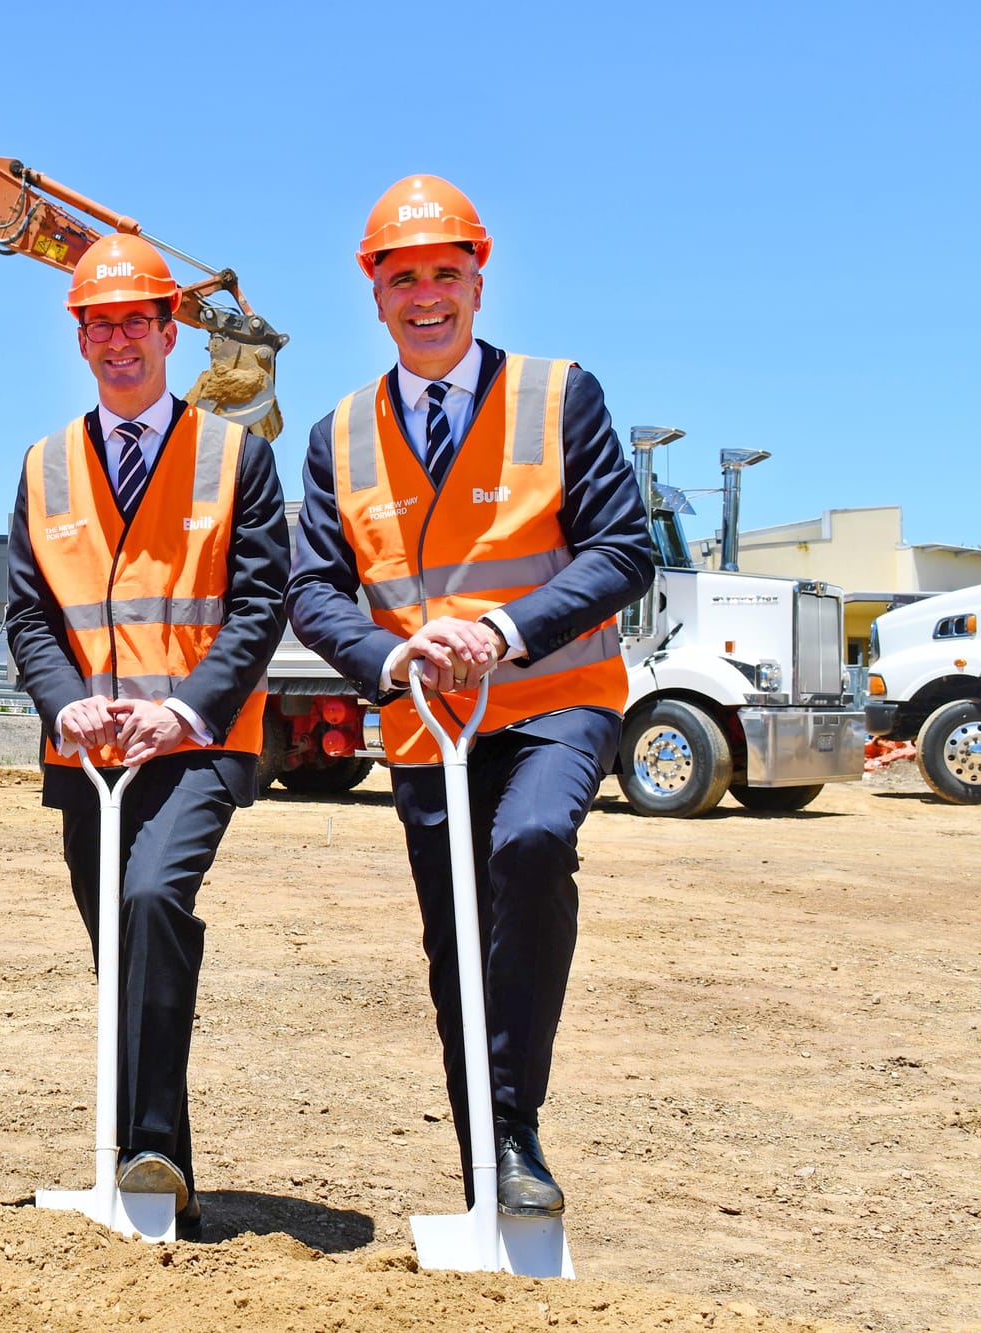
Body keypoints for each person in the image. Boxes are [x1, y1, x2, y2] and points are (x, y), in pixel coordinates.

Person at [286, 176, 656, 1217]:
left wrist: (500, 629)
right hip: (424, 723)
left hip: (552, 696)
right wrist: (388, 657)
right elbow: (312, 590)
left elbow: (620, 549)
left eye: (444, 273)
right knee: (455, 949)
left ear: (477, 282)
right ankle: (490, 1160)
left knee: (528, 847)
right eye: (402, 277)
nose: (425, 295)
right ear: (374, 295)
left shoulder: (557, 394)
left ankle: (518, 1128)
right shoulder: (337, 435)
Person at [4, 234, 289, 1239]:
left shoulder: (236, 460)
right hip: (86, 755)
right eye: (100, 323)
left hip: (196, 746)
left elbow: (258, 605)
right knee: (116, 944)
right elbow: (28, 616)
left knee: (151, 897)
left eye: (136, 320)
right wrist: (62, 703)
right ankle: (144, 1167)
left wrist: (184, 708)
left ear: (172, 331)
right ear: (78, 337)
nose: (119, 340)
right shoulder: (43, 467)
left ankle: (153, 1143)